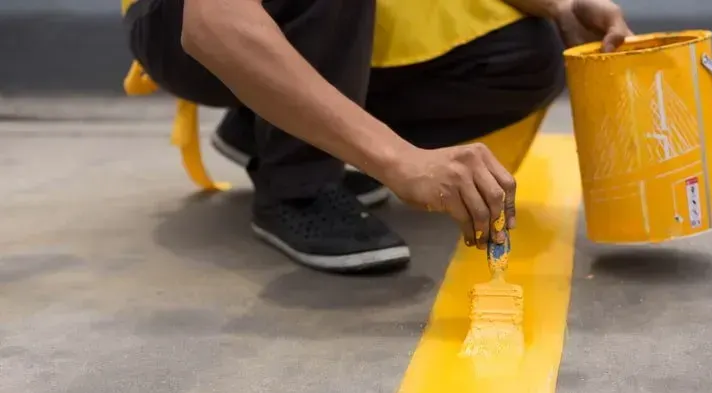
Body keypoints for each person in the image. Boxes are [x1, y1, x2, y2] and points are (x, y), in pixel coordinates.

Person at [124, 0, 632, 272]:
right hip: (179, 24)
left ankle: (273, 127)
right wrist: (398, 161)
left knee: (522, 55)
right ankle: (298, 185)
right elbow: (214, 22)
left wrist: (564, 5)